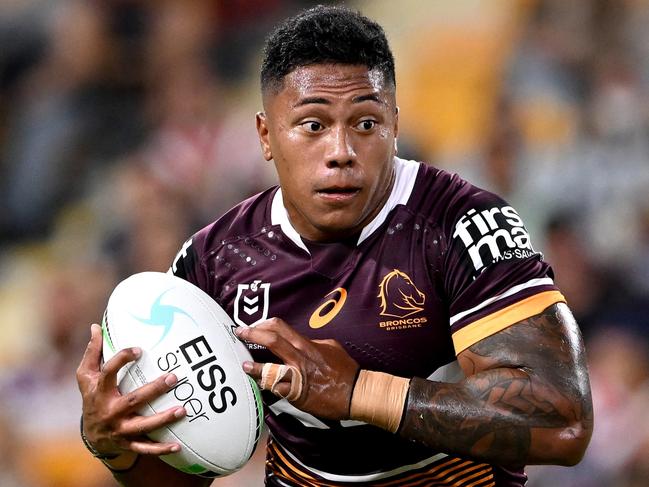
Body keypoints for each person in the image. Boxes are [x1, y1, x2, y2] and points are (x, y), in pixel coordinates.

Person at [76, 5, 593, 487]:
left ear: (395, 125)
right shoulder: (214, 261)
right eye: (313, 125)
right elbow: (181, 475)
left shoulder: (463, 224)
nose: (341, 152)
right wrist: (116, 446)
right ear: (265, 135)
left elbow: (564, 421)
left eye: (365, 123)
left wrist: (358, 391)